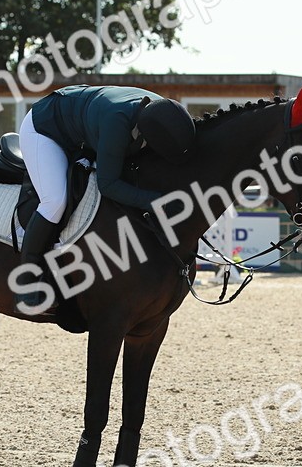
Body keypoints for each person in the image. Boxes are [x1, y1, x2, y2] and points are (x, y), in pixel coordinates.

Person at [14, 85, 196, 310]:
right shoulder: (117, 123)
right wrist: (155, 201)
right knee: (55, 202)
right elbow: (107, 184)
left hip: (85, 121)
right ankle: (26, 281)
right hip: (45, 128)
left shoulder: (164, 114)